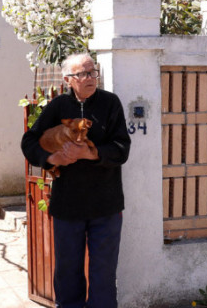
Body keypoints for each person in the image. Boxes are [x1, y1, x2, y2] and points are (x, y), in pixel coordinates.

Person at [21, 53, 131, 308]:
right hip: (68, 205)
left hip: (106, 204)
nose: (90, 78)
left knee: (103, 274)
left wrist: (91, 153)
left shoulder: (110, 103)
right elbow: (29, 142)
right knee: (68, 271)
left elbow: (122, 148)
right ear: (68, 79)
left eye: (93, 72)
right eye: (83, 74)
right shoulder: (58, 106)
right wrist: (52, 159)